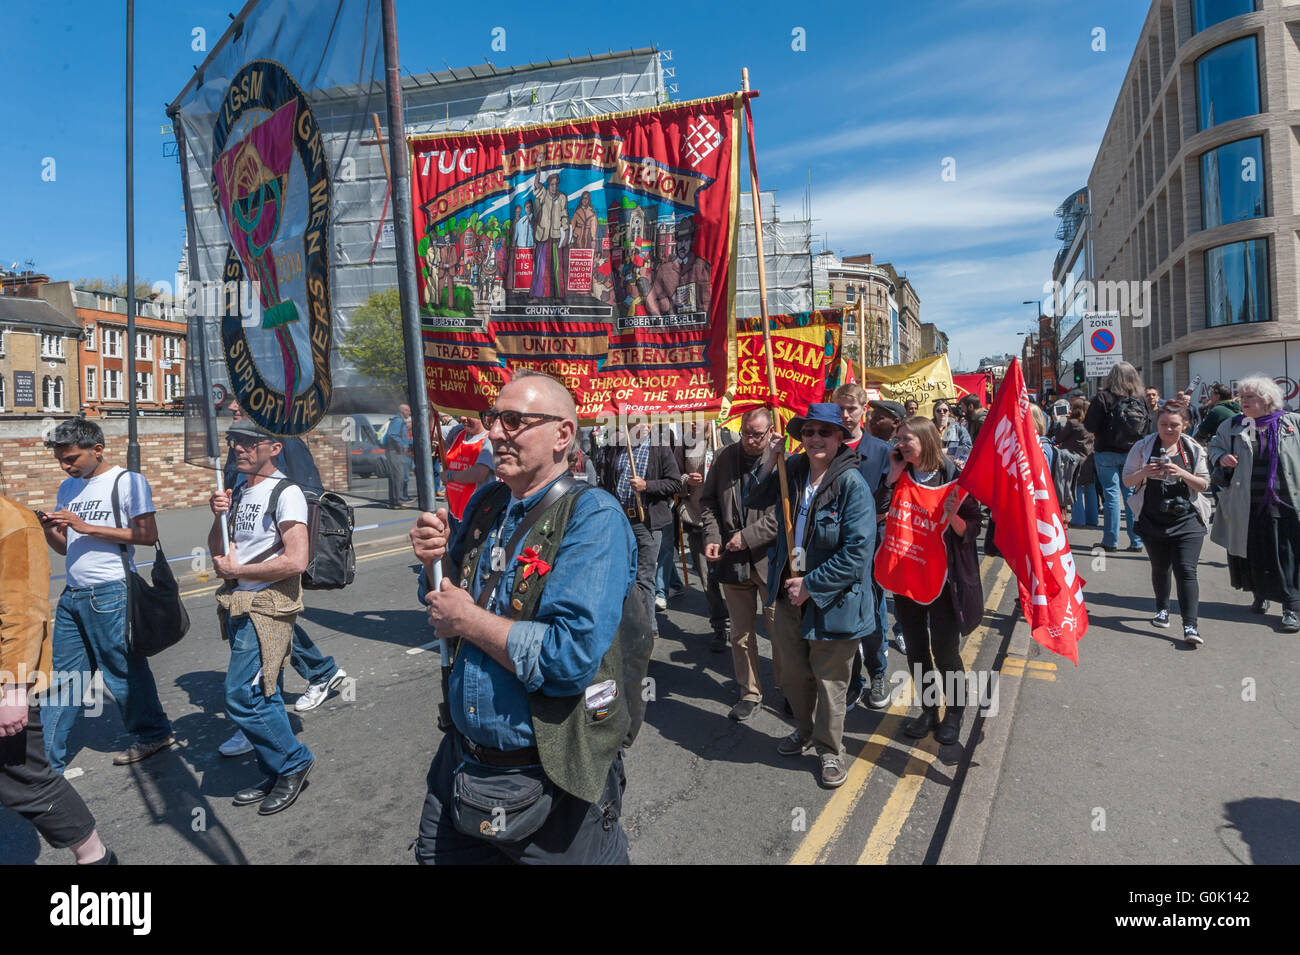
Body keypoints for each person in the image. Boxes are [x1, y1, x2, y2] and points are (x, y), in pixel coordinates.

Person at [408, 371, 639, 863]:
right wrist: (434, 560)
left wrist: (468, 620)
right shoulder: (487, 502)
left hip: (551, 774)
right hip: (463, 761)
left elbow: (567, 658)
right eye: (494, 418)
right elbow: (441, 601)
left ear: (562, 435)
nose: (494, 432)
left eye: (513, 421)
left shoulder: (594, 517)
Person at [747, 404, 875, 789]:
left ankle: (830, 750)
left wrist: (811, 585)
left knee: (830, 684)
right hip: (789, 596)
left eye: (825, 432)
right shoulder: (795, 471)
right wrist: (772, 460)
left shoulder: (852, 485)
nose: (815, 438)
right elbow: (756, 498)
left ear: (840, 438)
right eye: (808, 432)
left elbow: (857, 553)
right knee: (794, 676)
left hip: (833, 602)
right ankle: (803, 731)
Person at [38, 419, 175, 774]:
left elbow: (146, 535)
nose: (65, 466)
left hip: (110, 589)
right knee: (64, 677)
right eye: (60, 460)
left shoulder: (128, 481)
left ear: (97, 449)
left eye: (71, 459)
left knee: (122, 670)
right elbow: (67, 546)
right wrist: (51, 530)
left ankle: (154, 733)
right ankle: (44, 764)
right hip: (73, 593)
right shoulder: (68, 488)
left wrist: (86, 526)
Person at [217, 400, 347, 759]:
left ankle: (274, 738)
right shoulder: (241, 449)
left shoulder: (284, 446)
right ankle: (316, 677)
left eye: (239, 402)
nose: (231, 405)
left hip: (272, 574)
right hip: (244, 577)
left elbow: (305, 496)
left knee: (269, 640)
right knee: (273, 641)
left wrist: (280, 550)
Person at [1, 493, 117, 863]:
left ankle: (94, 856)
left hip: (6, 677)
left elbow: (25, 611)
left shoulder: (13, 521)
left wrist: (14, 689)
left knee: (26, 779)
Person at [207, 421, 315, 815]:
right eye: (235, 440)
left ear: (274, 448)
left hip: (267, 607)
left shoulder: (286, 493)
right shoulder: (236, 490)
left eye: (250, 442)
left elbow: (296, 560)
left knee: (242, 696)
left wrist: (240, 572)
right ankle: (274, 770)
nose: (239, 448)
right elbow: (220, 550)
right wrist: (216, 516)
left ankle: (294, 761)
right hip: (239, 602)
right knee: (264, 692)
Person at [879, 417, 983, 746]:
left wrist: (953, 516)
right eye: (898, 438)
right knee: (917, 651)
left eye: (906, 439)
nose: (899, 444)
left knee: (944, 650)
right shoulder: (898, 474)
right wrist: (892, 479)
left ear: (925, 440)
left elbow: (973, 528)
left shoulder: (953, 476)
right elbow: (878, 511)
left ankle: (954, 713)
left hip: (944, 581)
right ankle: (928, 710)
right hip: (907, 577)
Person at [702, 409, 781, 721]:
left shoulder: (783, 460)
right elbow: (708, 502)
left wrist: (747, 537)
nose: (750, 439)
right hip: (733, 562)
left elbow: (785, 512)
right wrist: (711, 535)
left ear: (770, 430)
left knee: (780, 633)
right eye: (746, 432)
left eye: (758, 434)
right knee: (741, 634)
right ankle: (749, 691)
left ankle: (789, 689)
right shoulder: (725, 457)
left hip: (770, 561)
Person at [1208, 376, 1300, 632]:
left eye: (1250, 397)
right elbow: (1213, 447)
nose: (1243, 401)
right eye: (1242, 396)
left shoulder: (1291, 423)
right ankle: (1261, 594)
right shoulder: (1232, 425)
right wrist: (1221, 456)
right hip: (1245, 503)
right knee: (1254, 552)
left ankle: (1292, 606)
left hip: (1286, 502)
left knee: (1285, 555)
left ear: (1267, 399)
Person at [1123, 404, 1212, 646]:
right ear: (1156, 424)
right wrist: (1144, 472)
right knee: (1161, 568)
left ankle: (1190, 625)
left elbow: (1204, 485)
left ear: (1185, 425)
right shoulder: (1142, 447)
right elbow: (1127, 479)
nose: (1169, 429)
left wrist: (1181, 473)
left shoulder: (1193, 449)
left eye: (1174, 424)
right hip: (1152, 517)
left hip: (1187, 519)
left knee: (1186, 570)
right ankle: (1162, 609)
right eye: (1164, 424)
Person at [833, 384, 892, 710]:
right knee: (843, 616)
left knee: (871, 612)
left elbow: (889, 501)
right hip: (834, 545)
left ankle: (878, 672)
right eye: (839, 409)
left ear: (863, 410)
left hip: (871, 546)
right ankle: (852, 680)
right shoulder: (827, 445)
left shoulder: (882, 451)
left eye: (851, 409)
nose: (845, 415)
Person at [597, 421, 682, 643]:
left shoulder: (659, 448)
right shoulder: (615, 448)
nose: (641, 427)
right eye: (635, 422)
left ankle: (647, 629)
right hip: (621, 520)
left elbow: (674, 483)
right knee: (622, 574)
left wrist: (647, 486)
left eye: (644, 422)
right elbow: (606, 482)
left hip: (647, 524)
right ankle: (624, 625)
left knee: (644, 577)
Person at [672, 421, 731, 651]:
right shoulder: (685, 443)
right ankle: (721, 625)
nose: (694, 421)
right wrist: (686, 481)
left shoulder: (728, 438)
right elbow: (673, 480)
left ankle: (742, 625)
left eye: (699, 416)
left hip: (727, 525)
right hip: (696, 520)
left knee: (734, 580)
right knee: (708, 579)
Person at [1084, 361, 1149, 553]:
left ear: (1112, 377)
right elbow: (1147, 426)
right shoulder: (1139, 398)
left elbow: (1090, 425)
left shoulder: (1103, 397)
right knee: (1130, 495)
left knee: (1111, 495)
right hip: (1133, 453)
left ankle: (1110, 541)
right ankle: (1136, 541)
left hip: (1106, 452)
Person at [443, 414, 495, 528]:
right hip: (455, 513)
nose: (462, 418)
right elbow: (427, 430)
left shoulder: (490, 438)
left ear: (484, 417)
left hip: (477, 515)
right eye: (460, 414)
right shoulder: (457, 432)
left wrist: (450, 476)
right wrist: (432, 412)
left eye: (468, 414)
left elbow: (478, 473)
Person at [1058, 397, 1099, 527]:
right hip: (1090, 460)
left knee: (1076, 490)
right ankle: (1093, 519)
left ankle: (1078, 519)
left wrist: (1061, 419)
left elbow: (1059, 436)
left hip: (1075, 461)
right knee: (1090, 490)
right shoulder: (1092, 423)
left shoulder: (1073, 423)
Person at [385, 403, 414, 508]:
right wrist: (402, 446)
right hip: (395, 453)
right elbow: (392, 435)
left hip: (395, 453)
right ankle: (398, 501)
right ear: (404, 411)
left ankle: (394, 502)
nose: (410, 413)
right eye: (408, 411)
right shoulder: (398, 420)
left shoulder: (398, 420)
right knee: (398, 477)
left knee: (396, 477)